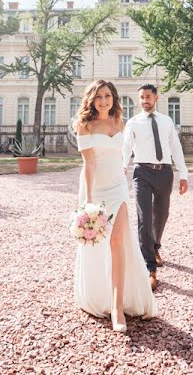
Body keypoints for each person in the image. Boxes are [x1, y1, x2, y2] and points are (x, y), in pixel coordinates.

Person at [73, 79, 156, 333]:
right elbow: (89, 164)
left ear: (113, 98)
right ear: (91, 99)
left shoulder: (119, 121)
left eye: (107, 95)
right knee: (97, 247)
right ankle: (100, 296)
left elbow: (123, 154)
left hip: (118, 187)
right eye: (98, 96)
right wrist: (88, 201)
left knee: (119, 242)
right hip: (95, 189)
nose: (103, 100)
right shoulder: (84, 126)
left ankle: (118, 306)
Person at [122, 84, 189, 291]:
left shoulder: (167, 121)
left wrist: (183, 174)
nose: (144, 101)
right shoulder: (133, 123)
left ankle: (155, 247)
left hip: (165, 172)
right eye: (141, 97)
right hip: (142, 172)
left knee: (161, 215)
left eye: (148, 97)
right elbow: (126, 147)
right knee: (144, 217)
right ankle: (149, 267)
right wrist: (122, 166)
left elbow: (175, 148)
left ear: (156, 98)